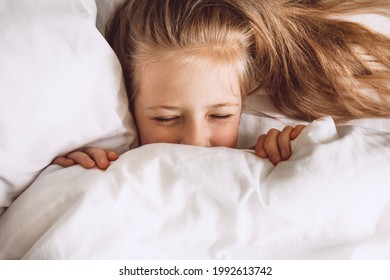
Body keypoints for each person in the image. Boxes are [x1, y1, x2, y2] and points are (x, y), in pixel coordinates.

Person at [53, 0, 390, 170]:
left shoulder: (259, 151)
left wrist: (297, 152)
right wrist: (92, 160)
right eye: (166, 118)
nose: (196, 143)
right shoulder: (117, 159)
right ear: (129, 104)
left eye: (220, 116)